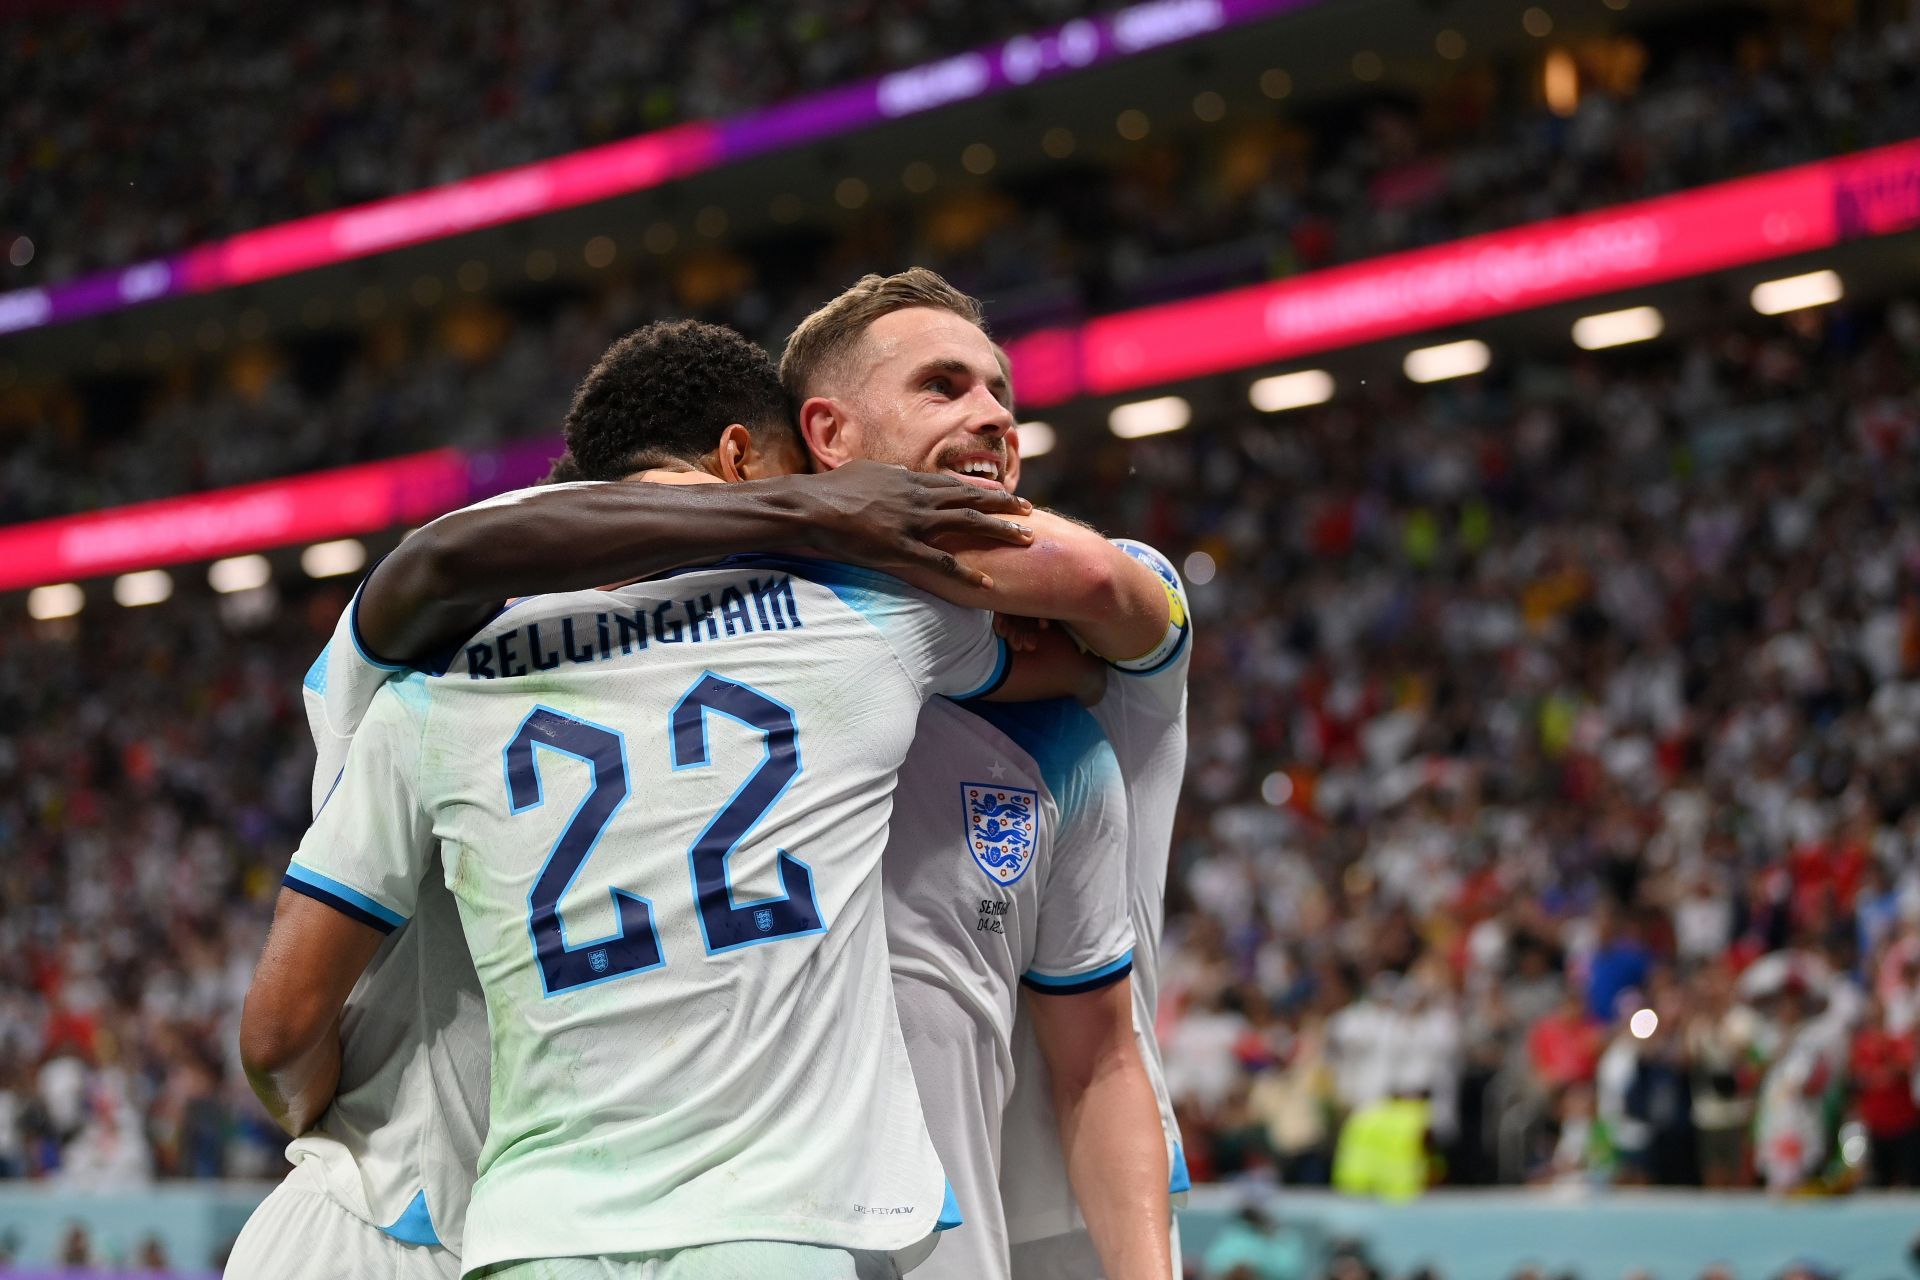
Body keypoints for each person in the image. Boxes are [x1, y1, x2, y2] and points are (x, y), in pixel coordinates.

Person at [232, 320, 1073, 1279]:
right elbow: (441, 557)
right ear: (740, 458)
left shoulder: (453, 678)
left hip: (521, 1224)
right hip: (402, 1214)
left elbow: (276, 1044)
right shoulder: (432, 647)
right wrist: (811, 514)